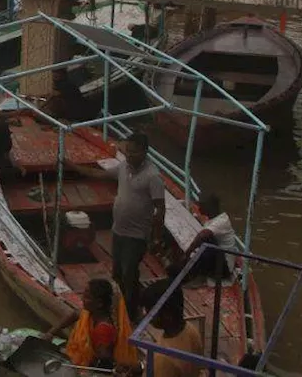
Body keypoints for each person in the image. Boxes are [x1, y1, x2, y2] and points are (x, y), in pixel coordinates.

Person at [92, 133, 164, 321]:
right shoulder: (123, 167)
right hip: (118, 231)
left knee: (129, 274)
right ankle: (119, 308)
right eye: (127, 152)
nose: (130, 155)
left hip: (137, 235)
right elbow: (102, 174)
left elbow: (160, 208)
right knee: (117, 273)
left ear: (144, 152)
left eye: (134, 152)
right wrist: (72, 166)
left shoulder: (152, 176)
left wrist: (156, 237)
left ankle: (131, 314)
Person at [48, 278, 137, 372]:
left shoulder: (103, 329)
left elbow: (104, 361)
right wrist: (51, 333)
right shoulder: (90, 314)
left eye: (87, 297)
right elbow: (75, 314)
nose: (82, 299)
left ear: (99, 303)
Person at [139, 279, 202, 377]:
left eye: (150, 311)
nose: (145, 314)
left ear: (168, 315)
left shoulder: (162, 358)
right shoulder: (191, 329)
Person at [182, 194, 238, 281]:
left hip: (223, 267)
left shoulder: (221, 221)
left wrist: (188, 252)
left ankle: (199, 276)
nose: (199, 208)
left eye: (202, 206)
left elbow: (203, 235)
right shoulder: (213, 220)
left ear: (211, 207)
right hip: (219, 260)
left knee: (206, 238)